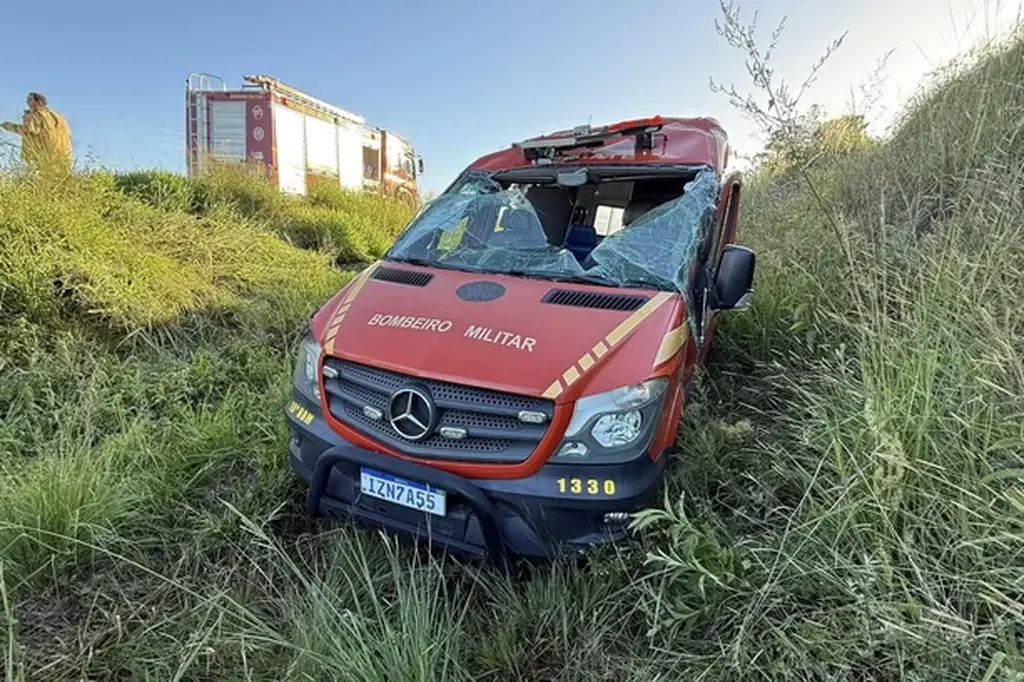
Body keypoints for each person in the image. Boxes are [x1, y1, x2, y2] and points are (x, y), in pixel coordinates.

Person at [1, 92, 73, 175]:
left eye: (30, 99)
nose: (27, 102)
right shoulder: (58, 117)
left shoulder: (36, 115)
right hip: (62, 154)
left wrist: (7, 126)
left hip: (45, 154)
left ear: (39, 102)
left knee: (46, 179)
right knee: (61, 177)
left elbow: (28, 131)